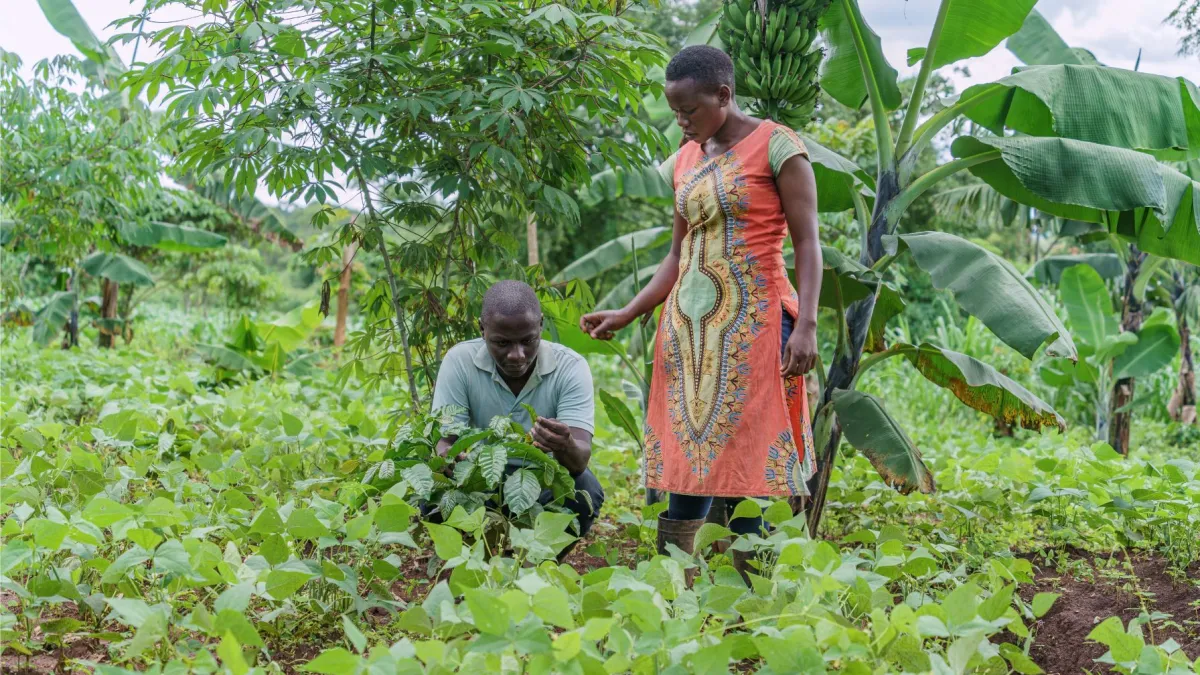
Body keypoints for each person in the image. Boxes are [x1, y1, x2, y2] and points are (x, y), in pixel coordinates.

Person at [581, 45, 821, 578]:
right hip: (687, 333)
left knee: (750, 458)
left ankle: (749, 590)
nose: (682, 121)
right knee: (684, 456)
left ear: (724, 95)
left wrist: (805, 324)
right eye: (675, 112)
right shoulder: (687, 160)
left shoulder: (779, 147)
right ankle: (673, 585)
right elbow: (677, 254)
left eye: (690, 110)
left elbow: (808, 244)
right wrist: (627, 311)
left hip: (755, 328)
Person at [431, 280, 604, 553]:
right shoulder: (460, 361)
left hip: (540, 482)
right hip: (479, 481)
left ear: (540, 326)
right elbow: (445, 442)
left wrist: (564, 444)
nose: (516, 355)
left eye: (527, 341)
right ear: (482, 329)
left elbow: (579, 461)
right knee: (434, 490)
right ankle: (470, 560)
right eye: (502, 343)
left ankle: (539, 563)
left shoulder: (570, 367)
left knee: (584, 490)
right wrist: (450, 457)